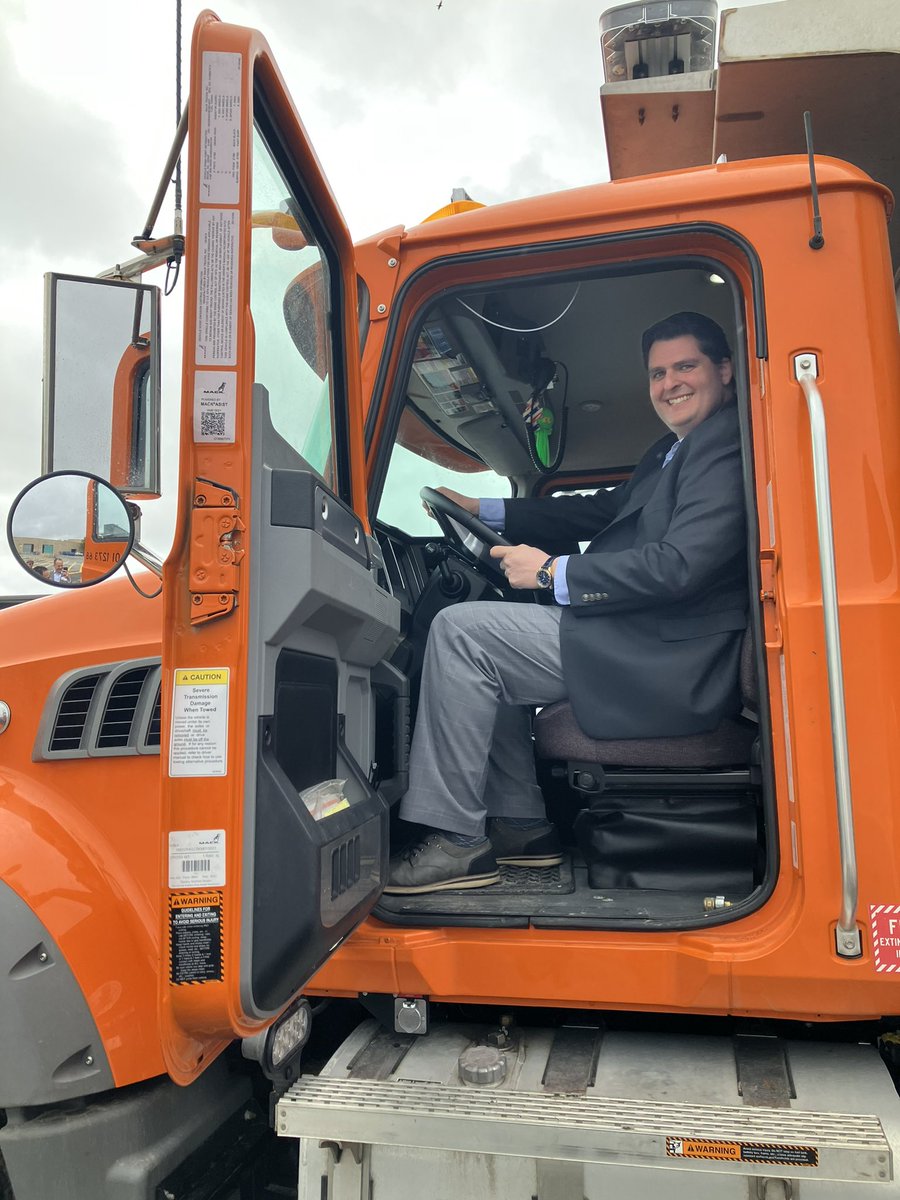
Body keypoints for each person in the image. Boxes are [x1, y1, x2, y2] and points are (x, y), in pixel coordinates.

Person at [386, 311, 748, 894]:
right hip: (639, 634)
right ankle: (522, 829)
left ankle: (455, 841)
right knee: (488, 653)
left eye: (686, 366)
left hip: (671, 655)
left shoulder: (726, 445)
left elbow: (682, 566)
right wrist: (483, 511)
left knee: (462, 631)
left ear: (724, 370)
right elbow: (598, 510)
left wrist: (555, 571)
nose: (669, 384)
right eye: (658, 373)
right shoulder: (669, 451)